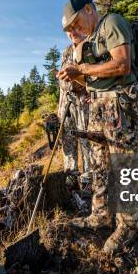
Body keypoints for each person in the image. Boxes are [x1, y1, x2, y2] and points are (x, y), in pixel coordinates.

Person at [57, 0, 138, 254]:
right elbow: (92, 83)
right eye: (68, 29)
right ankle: (100, 215)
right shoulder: (88, 42)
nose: (73, 31)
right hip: (98, 106)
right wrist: (73, 79)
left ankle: (127, 227)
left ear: (88, 9)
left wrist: (81, 69)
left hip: (119, 106)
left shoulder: (112, 23)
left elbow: (122, 64)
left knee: (125, 167)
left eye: (75, 24)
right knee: (99, 166)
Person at [58, 32, 92, 180]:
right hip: (66, 104)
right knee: (67, 139)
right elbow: (62, 81)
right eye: (68, 30)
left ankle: (88, 179)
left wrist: (95, 92)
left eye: (75, 27)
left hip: (84, 103)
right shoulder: (66, 51)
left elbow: (101, 77)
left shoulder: (92, 46)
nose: (72, 33)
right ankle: (71, 178)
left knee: (86, 140)